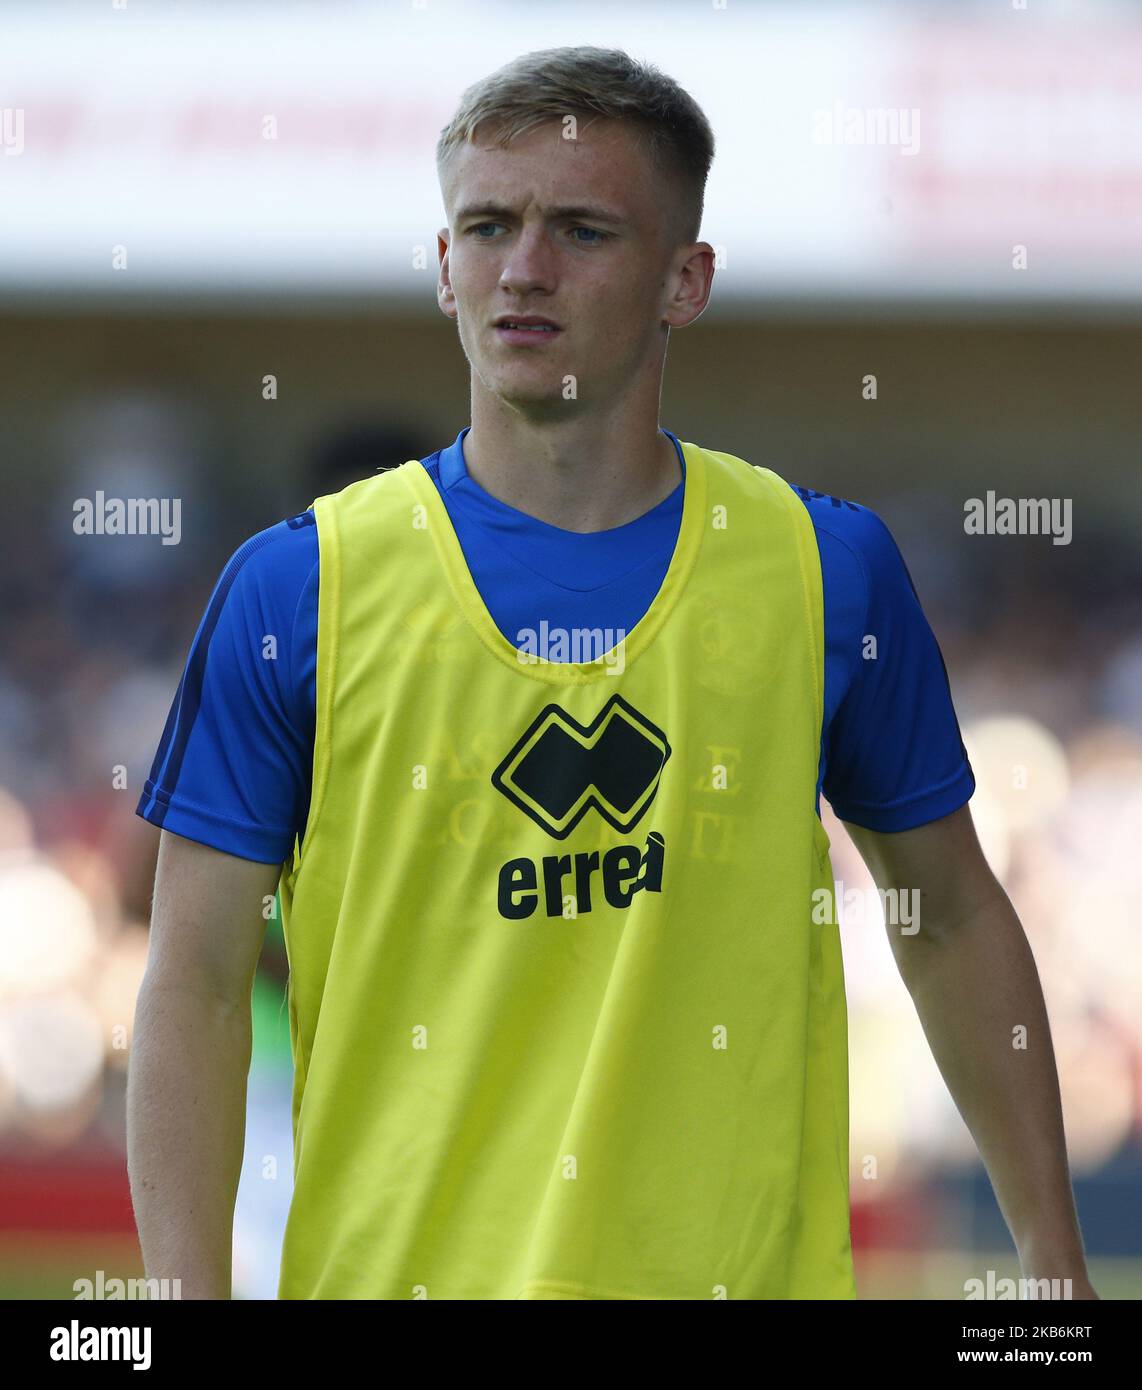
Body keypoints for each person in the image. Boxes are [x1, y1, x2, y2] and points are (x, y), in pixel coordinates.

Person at [127, 46, 1097, 1300]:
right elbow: (194, 981)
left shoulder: (824, 569)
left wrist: (1049, 1262)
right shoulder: (293, 587)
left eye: (580, 231)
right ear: (441, 267)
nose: (522, 268)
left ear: (684, 281)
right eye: (487, 226)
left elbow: (952, 914)